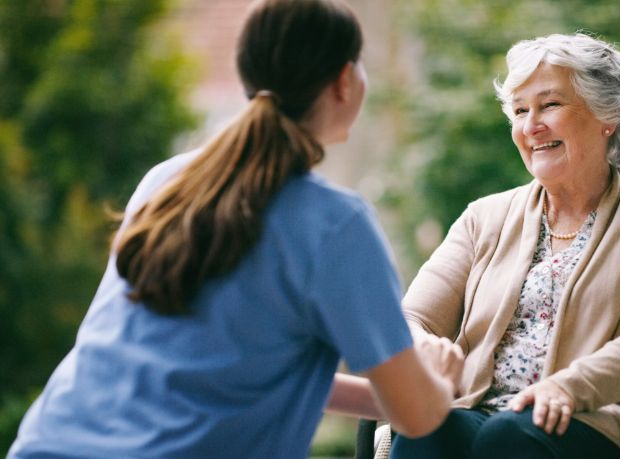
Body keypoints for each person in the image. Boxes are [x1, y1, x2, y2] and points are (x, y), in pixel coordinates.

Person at [7, 1, 463, 458]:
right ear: (344, 81)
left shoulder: (168, 181)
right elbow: (417, 417)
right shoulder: (336, 225)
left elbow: (234, 370)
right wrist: (439, 383)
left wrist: (387, 396)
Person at [389, 33, 620, 459]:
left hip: (603, 419)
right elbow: (413, 317)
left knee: (510, 437)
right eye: (520, 111)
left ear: (606, 115)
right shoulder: (483, 217)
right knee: (425, 430)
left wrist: (572, 386)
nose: (530, 126)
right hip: (481, 411)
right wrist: (423, 346)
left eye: (550, 105)